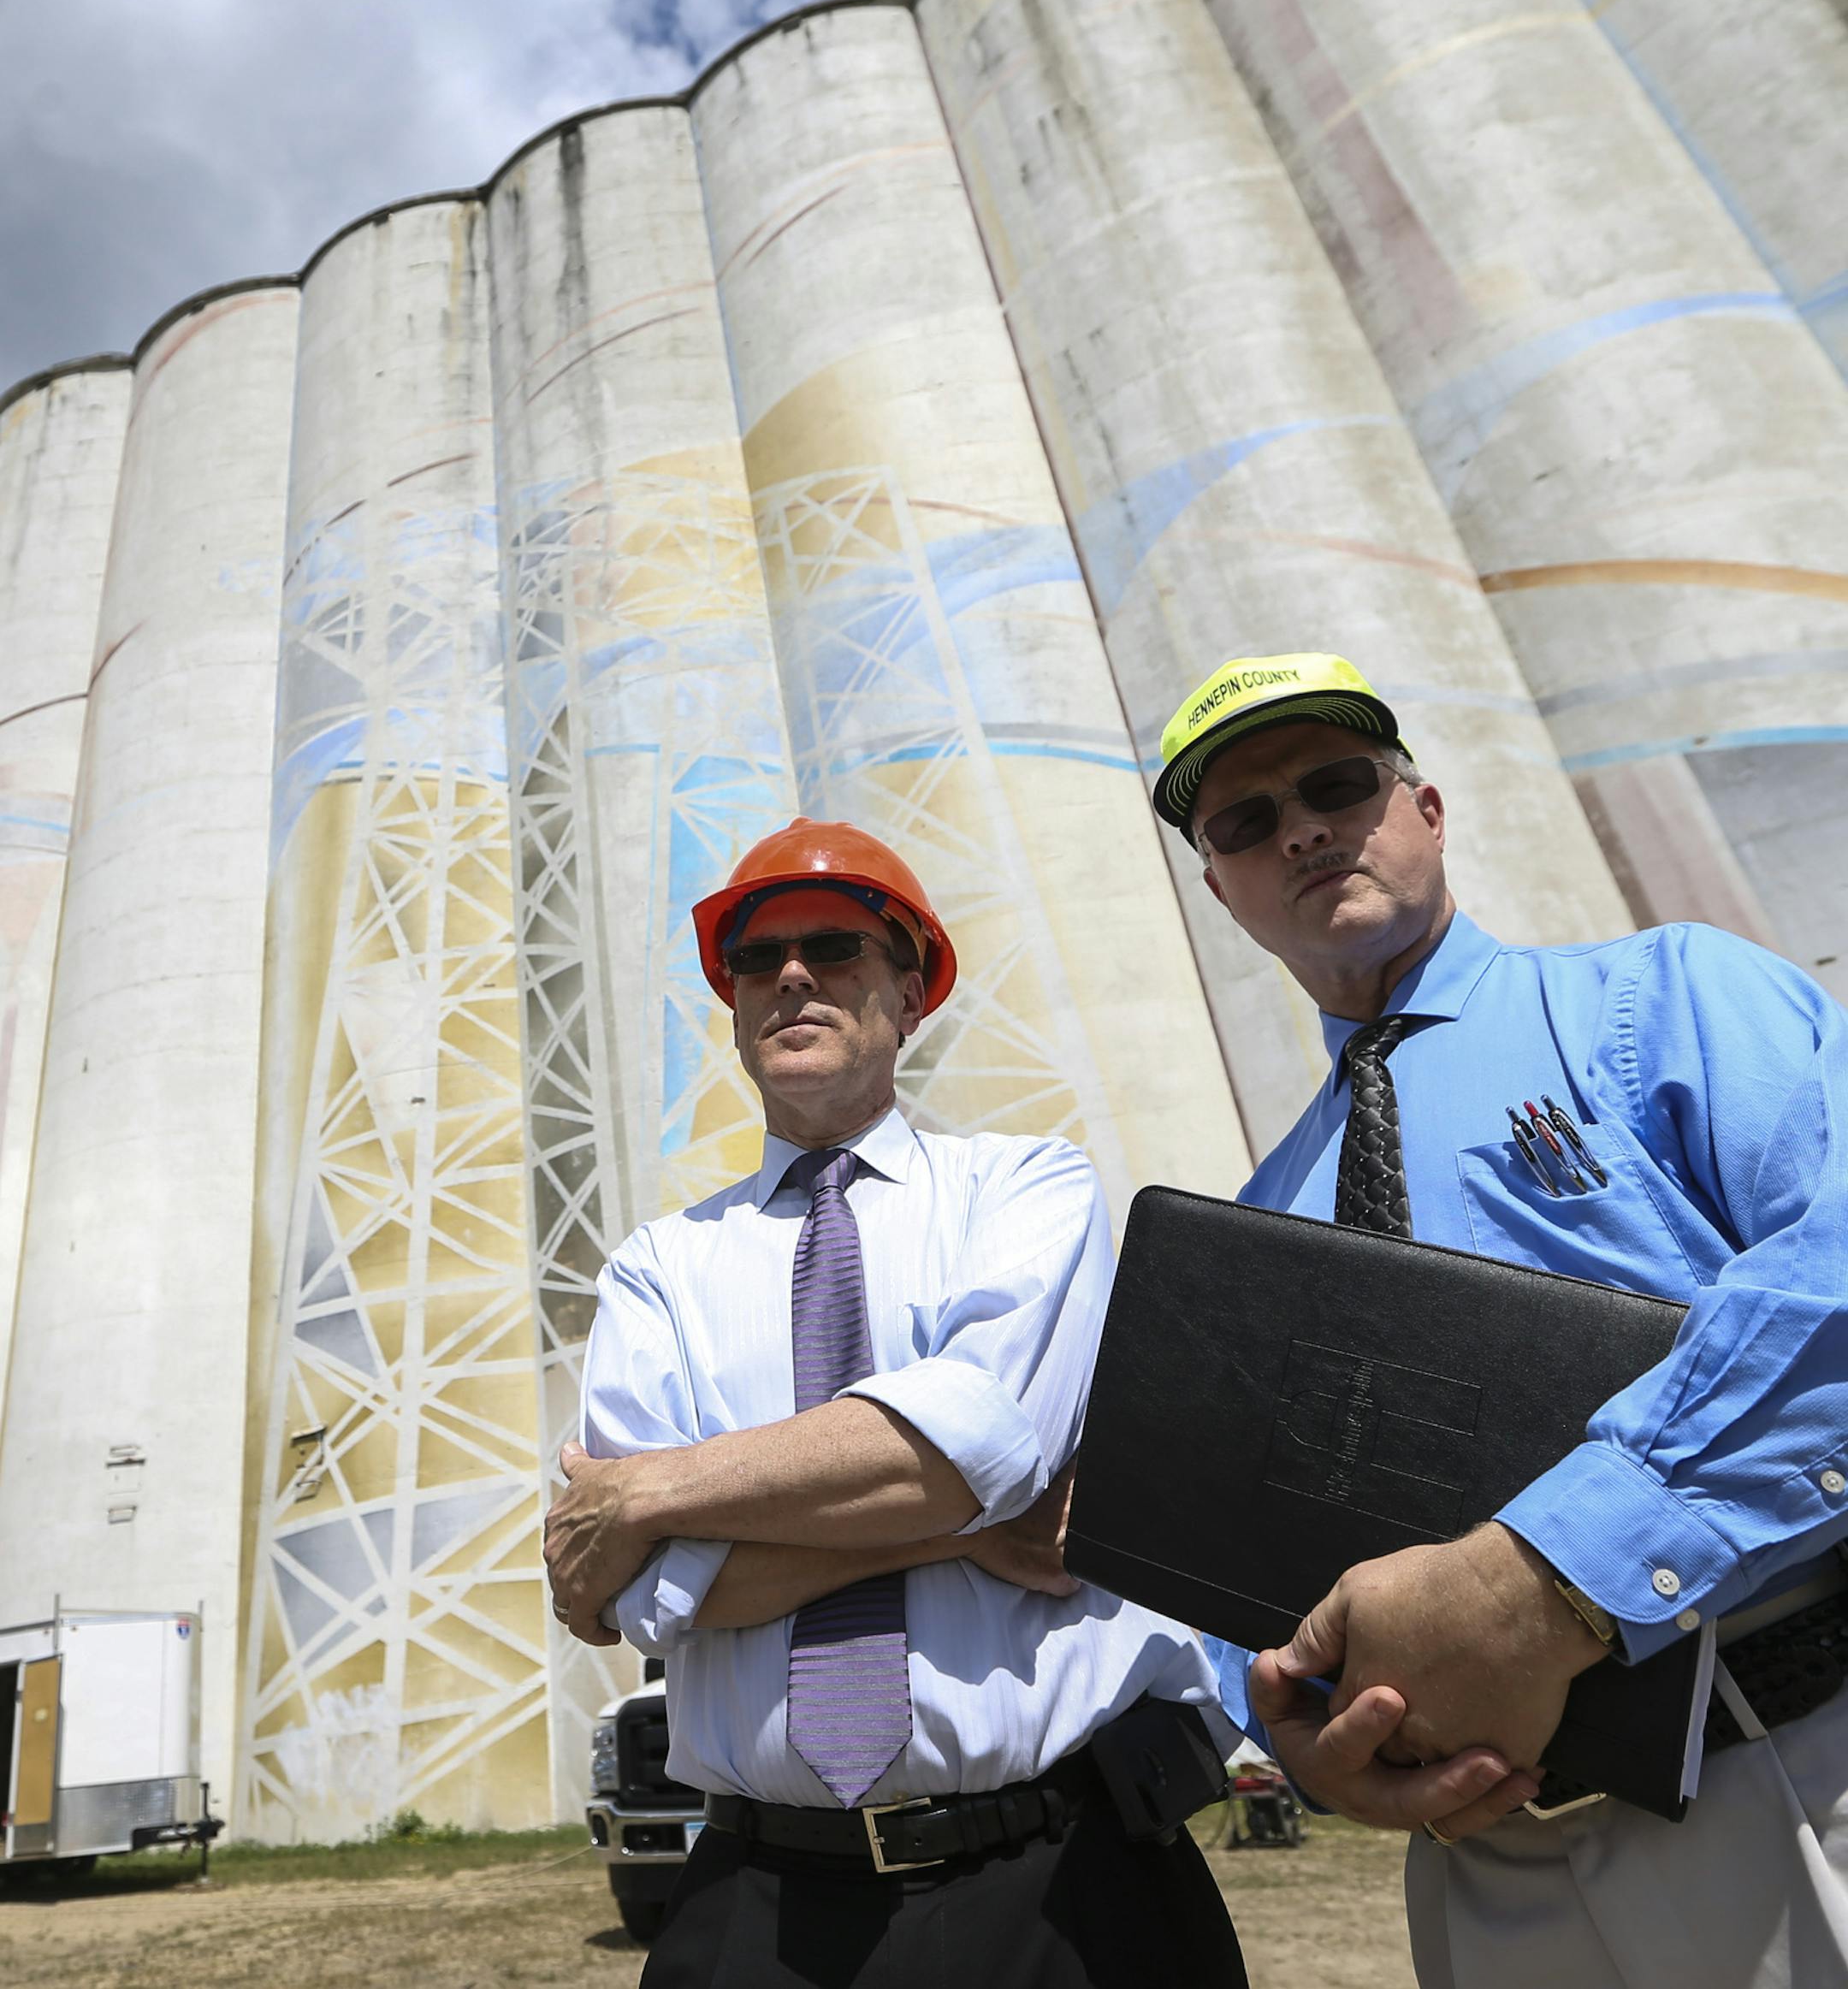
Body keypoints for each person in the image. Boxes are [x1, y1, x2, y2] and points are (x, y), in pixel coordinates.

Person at [1149, 649, 1848, 1989]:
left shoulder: (1659, 998)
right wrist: (1296, 1726)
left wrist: (1556, 1578)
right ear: (1223, 891)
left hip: (1783, 1764)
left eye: (1336, 785)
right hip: (1485, 1872)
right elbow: (1268, 1546)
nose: (1300, 828)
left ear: (1427, 809)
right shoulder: (1258, 1216)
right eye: (1244, 821)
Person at [542, 817, 1247, 1989]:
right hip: (757, 1907)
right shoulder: (659, 1267)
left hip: (1058, 1887)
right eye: (759, 961)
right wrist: (969, 1531)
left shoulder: (1029, 1189)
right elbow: (639, 1591)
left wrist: (658, 1494)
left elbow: (970, 1446)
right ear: (733, 1006)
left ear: (911, 994)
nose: (795, 977)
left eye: (838, 947)